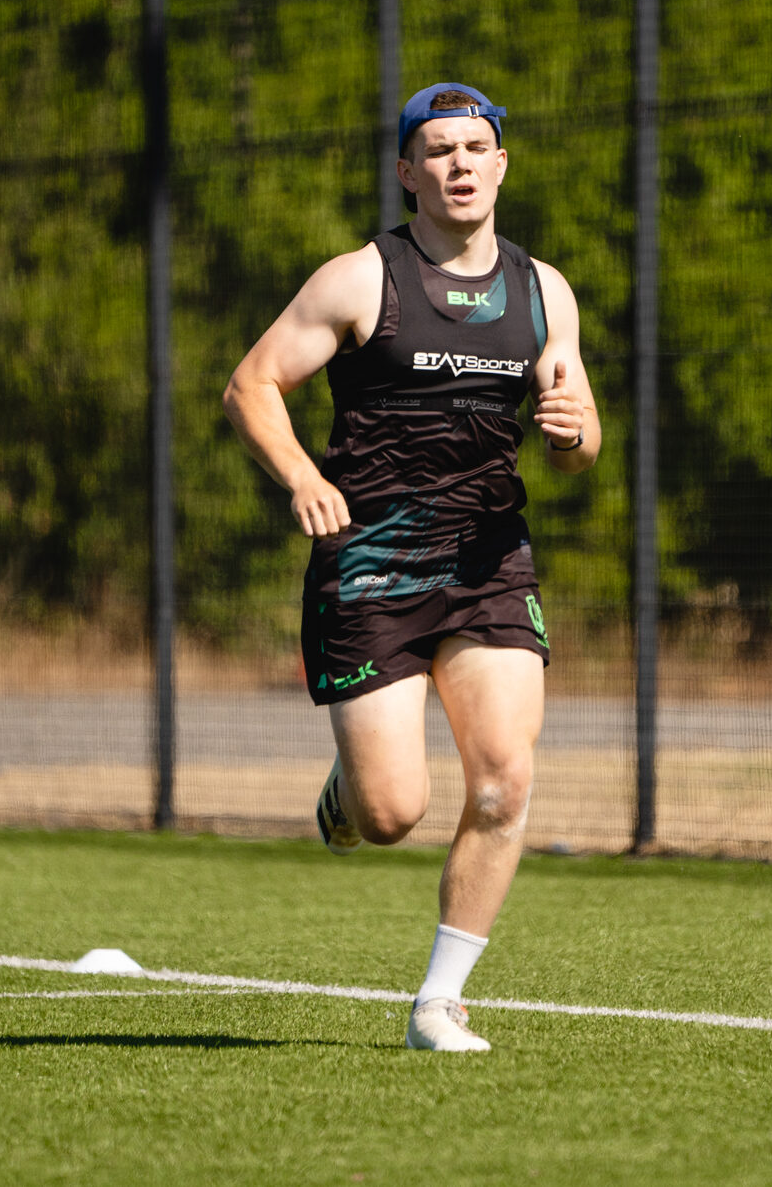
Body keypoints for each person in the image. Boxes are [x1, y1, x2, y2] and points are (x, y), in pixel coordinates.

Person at [223, 82, 600, 1052]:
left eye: (475, 148)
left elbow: (578, 438)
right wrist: (302, 475)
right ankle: (348, 795)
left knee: (503, 783)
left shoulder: (544, 289)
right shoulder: (360, 279)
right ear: (407, 171)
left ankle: (439, 1000)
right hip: (372, 566)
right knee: (393, 811)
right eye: (437, 150)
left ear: (501, 165)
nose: (458, 164)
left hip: (488, 562)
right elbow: (252, 383)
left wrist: (573, 435)